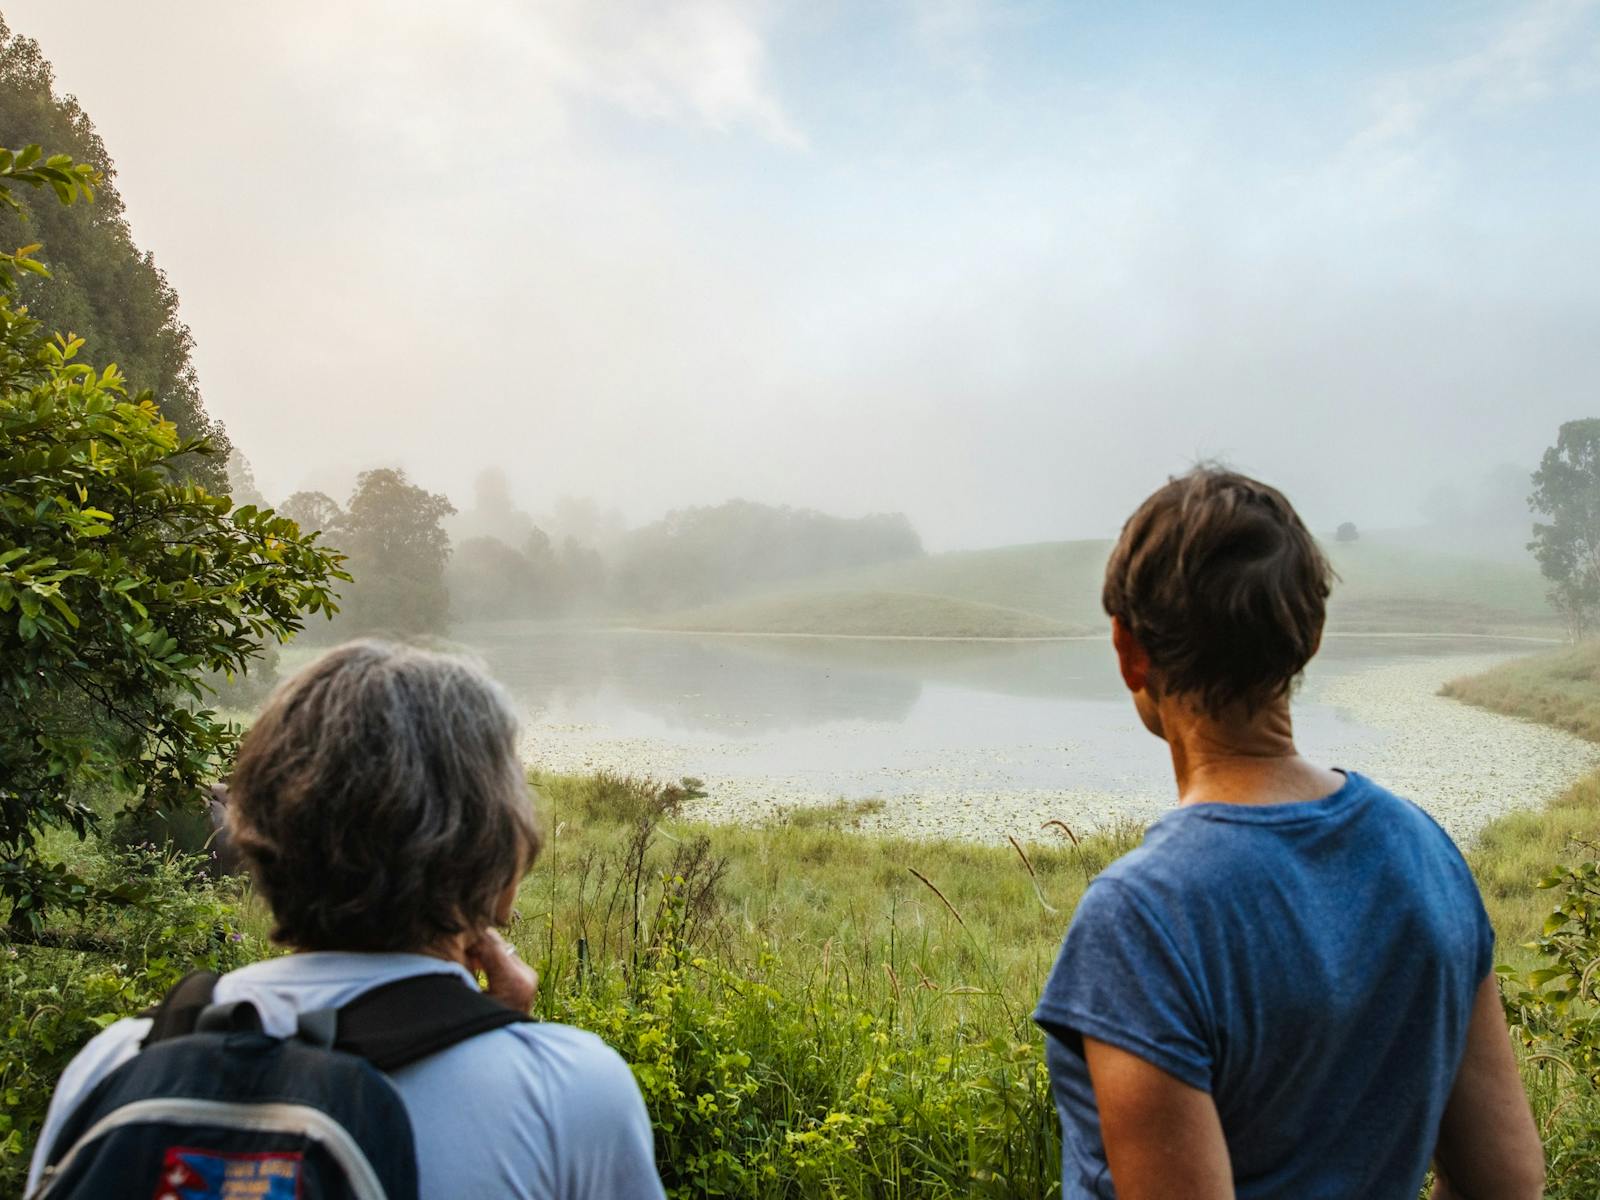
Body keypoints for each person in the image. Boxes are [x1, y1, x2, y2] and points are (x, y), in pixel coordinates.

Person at [1034, 468, 1545, 1200]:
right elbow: (1508, 1181)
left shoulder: (1141, 918)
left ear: (1129, 650)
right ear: (1307, 635)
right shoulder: (1425, 852)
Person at [27, 639, 666, 1200]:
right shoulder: (573, 1092)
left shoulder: (117, 1061)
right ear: (497, 863)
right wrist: (516, 1052)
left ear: (259, 837)